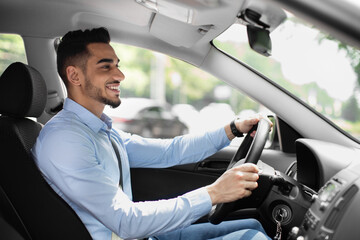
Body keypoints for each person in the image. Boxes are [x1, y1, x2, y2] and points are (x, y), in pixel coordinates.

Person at [31, 27, 271, 240]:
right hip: (127, 233)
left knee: (253, 225)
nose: (120, 75)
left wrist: (231, 130)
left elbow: (170, 151)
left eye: (117, 65)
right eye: (106, 66)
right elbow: (126, 222)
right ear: (75, 76)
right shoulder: (65, 139)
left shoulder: (99, 130)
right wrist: (214, 192)